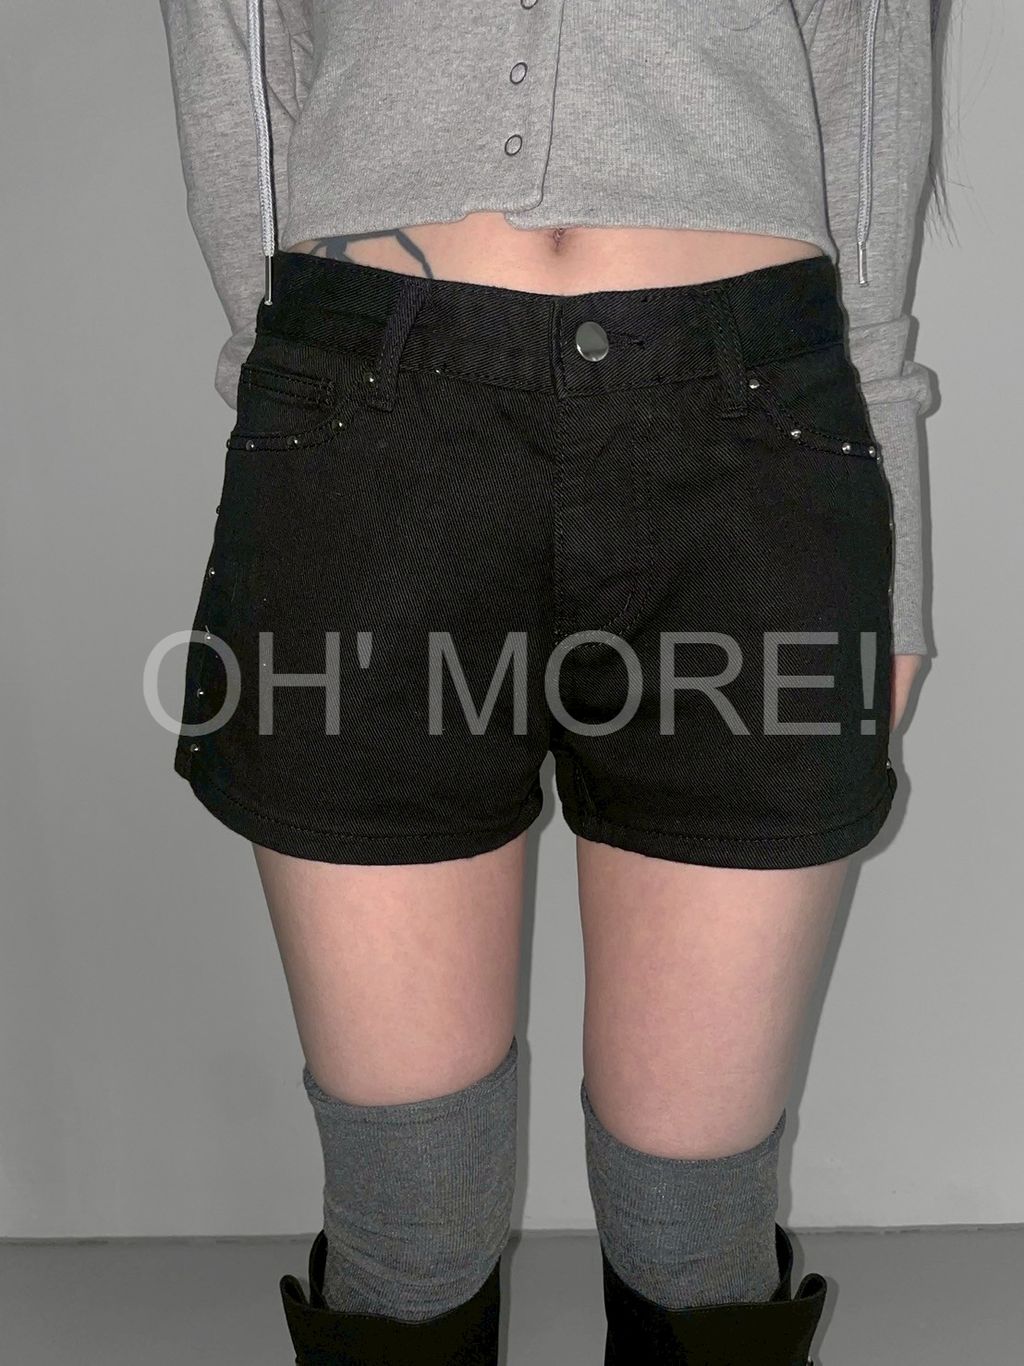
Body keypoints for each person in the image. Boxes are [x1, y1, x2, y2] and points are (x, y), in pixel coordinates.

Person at [158, 2, 945, 1362]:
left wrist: (902, 562)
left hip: (752, 449)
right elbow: (243, 92)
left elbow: (868, 105)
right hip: (372, 444)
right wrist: (297, 405)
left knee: (701, 1244)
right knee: (406, 1235)